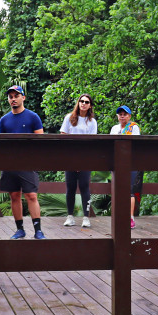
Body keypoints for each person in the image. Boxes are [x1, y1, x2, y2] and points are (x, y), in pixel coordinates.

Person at [0, 85, 45, 239]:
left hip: (27, 163)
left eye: (16, 96)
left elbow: (41, 140)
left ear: (23, 98)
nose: (13, 99)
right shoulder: (4, 120)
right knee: (14, 196)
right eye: (10, 96)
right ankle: (20, 229)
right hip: (10, 163)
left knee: (31, 195)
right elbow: (0, 143)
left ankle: (38, 230)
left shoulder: (33, 117)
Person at [60, 93, 98, 228]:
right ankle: (70, 216)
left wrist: (82, 160)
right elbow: (63, 138)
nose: (83, 103)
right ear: (78, 102)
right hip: (70, 158)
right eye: (81, 101)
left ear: (90, 106)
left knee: (84, 187)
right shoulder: (69, 118)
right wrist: (72, 159)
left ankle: (86, 217)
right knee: (70, 187)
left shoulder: (92, 122)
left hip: (85, 159)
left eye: (87, 102)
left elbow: (92, 143)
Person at [109, 105, 142, 229]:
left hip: (130, 162)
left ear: (129, 116)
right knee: (118, 190)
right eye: (120, 114)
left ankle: (130, 217)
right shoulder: (114, 128)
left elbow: (135, 143)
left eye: (125, 114)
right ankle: (119, 217)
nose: (122, 116)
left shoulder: (134, 128)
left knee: (130, 191)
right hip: (117, 162)